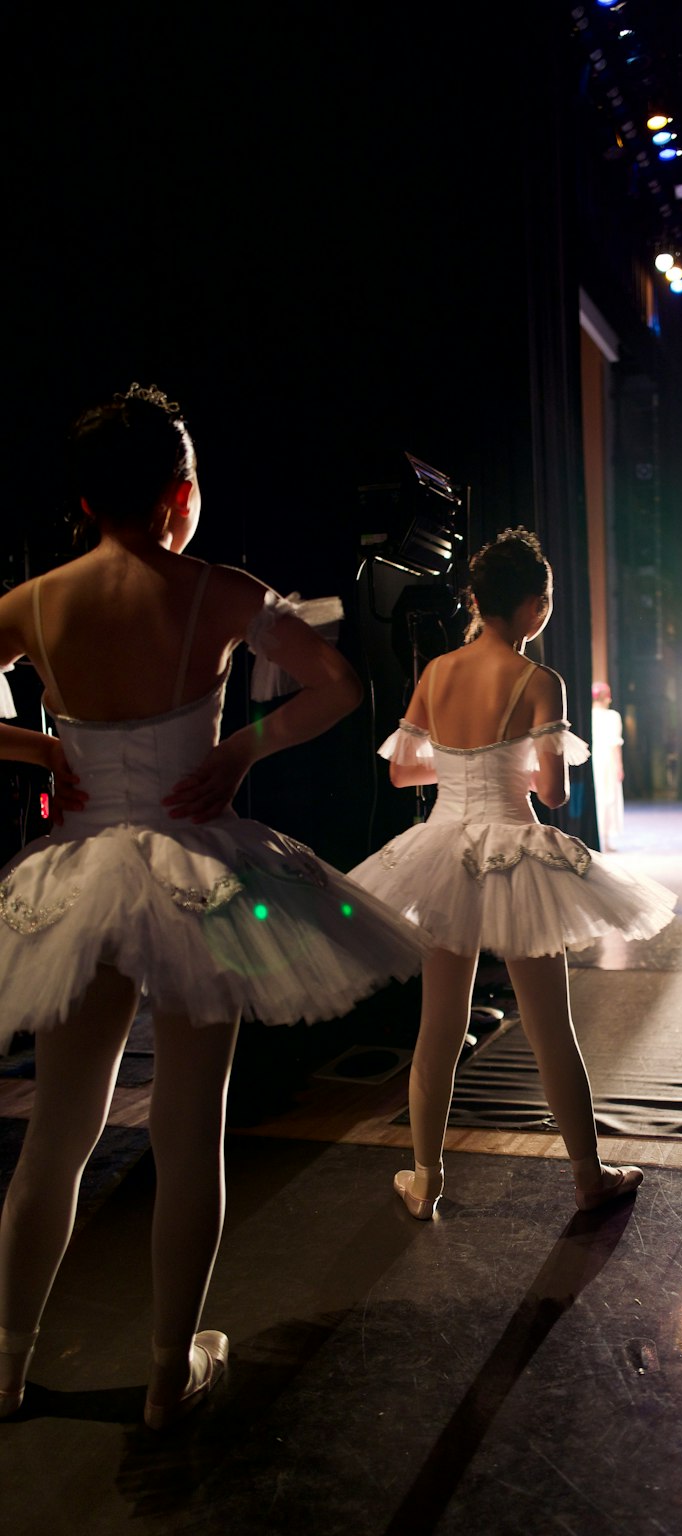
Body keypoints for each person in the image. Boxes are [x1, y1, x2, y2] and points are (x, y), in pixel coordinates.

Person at [0, 383, 424, 1428]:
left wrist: (39, 745)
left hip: (81, 873)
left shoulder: (35, 602)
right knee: (191, 1130)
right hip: (200, 870)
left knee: (56, 1133)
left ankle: (4, 1371)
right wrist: (242, 747)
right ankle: (162, 1372)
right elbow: (336, 683)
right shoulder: (221, 592)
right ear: (178, 493)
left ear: (88, 502)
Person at [350, 527, 676, 1221]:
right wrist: (508, 766)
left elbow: (403, 769)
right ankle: (588, 1175)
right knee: (549, 1025)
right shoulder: (539, 681)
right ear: (532, 606)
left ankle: (425, 1177)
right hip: (513, 852)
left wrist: (465, 763)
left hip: (443, 850)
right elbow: (554, 795)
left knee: (439, 1024)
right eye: (548, 599)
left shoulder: (438, 672)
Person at [590, 681, 625, 850]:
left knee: (598, 796)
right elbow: (615, 744)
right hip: (607, 760)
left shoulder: (589, 716)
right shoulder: (612, 716)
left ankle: (600, 838)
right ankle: (605, 840)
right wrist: (619, 766)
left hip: (594, 759)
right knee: (608, 797)